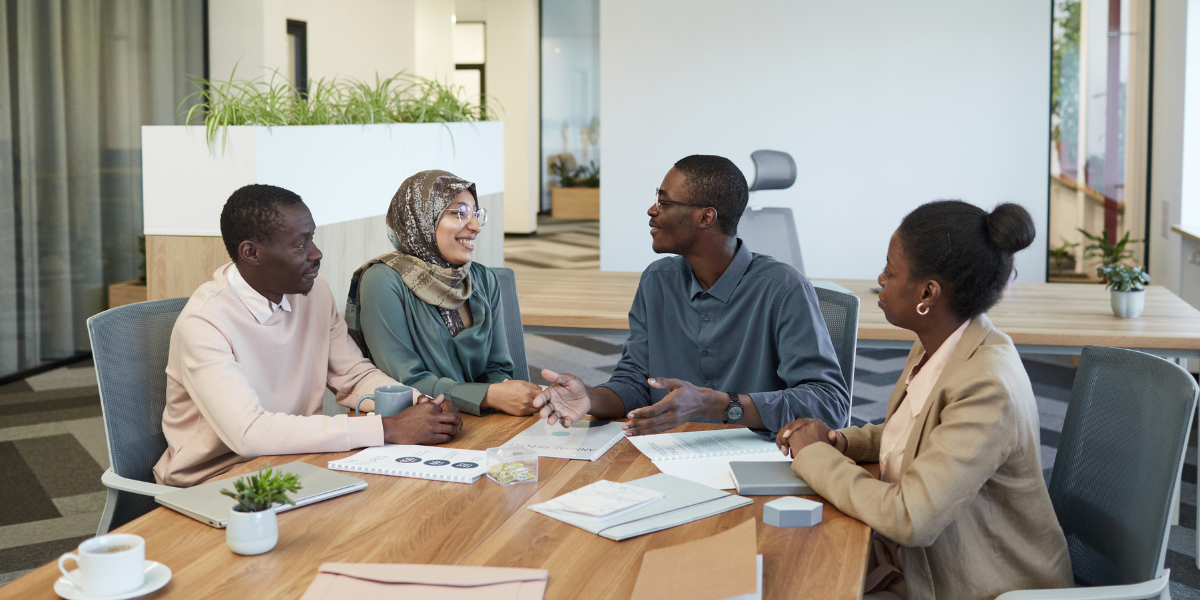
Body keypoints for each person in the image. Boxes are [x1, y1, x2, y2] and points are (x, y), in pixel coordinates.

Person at [777, 201, 1073, 600]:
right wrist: (842, 443)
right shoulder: (940, 343)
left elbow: (909, 517)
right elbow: (918, 431)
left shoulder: (986, 385)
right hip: (919, 563)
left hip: (981, 583)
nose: (880, 278)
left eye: (891, 270)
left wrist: (815, 455)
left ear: (928, 293)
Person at [154, 184, 463, 487]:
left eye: (312, 238)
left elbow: (353, 376)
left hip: (292, 464)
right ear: (251, 252)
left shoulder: (314, 293)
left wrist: (419, 403)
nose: (316, 253)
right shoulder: (204, 322)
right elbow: (248, 433)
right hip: (211, 481)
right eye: (300, 244)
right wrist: (387, 428)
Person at [535, 155, 850, 436]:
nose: (652, 210)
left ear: (705, 217)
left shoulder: (783, 288)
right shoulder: (657, 281)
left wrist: (720, 405)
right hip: (668, 455)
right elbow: (634, 385)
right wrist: (589, 397)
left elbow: (829, 404)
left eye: (664, 202)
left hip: (760, 457)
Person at [345, 170, 541, 417]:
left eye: (477, 214)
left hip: (485, 419)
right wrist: (486, 396)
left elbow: (498, 367)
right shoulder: (383, 280)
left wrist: (499, 394)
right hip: (415, 425)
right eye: (461, 213)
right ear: (422, 217)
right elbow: (403, 382)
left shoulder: (482, 279)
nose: (475, 226)